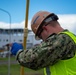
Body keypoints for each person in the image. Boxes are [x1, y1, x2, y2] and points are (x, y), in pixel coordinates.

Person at [11, 11, 76, 75]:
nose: (43, 40)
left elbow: (34, 60)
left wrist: (18, 52)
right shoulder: (70, 37)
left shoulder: (62, 40)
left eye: (40, 36)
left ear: (45, 28)